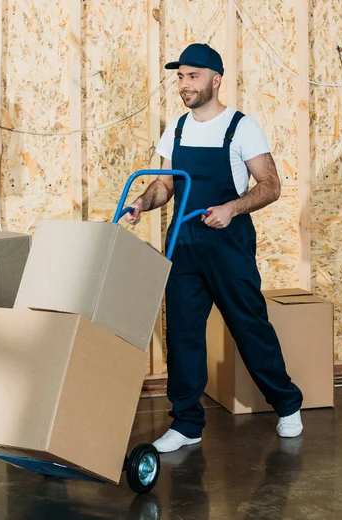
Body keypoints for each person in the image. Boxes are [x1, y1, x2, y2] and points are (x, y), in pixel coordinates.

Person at [126, 43, 303, 453]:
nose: (185, 85)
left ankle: (287, 404)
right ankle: (187, 422)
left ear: (215, 79)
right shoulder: (178, 128)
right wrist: (140, 203)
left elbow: (271, 186)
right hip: (183, 246)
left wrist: (232, 208)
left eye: (193, 77)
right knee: (184, 334)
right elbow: (165, 185)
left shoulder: (241, 127)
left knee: (249, 326)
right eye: (181, 77)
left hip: (228, 244)